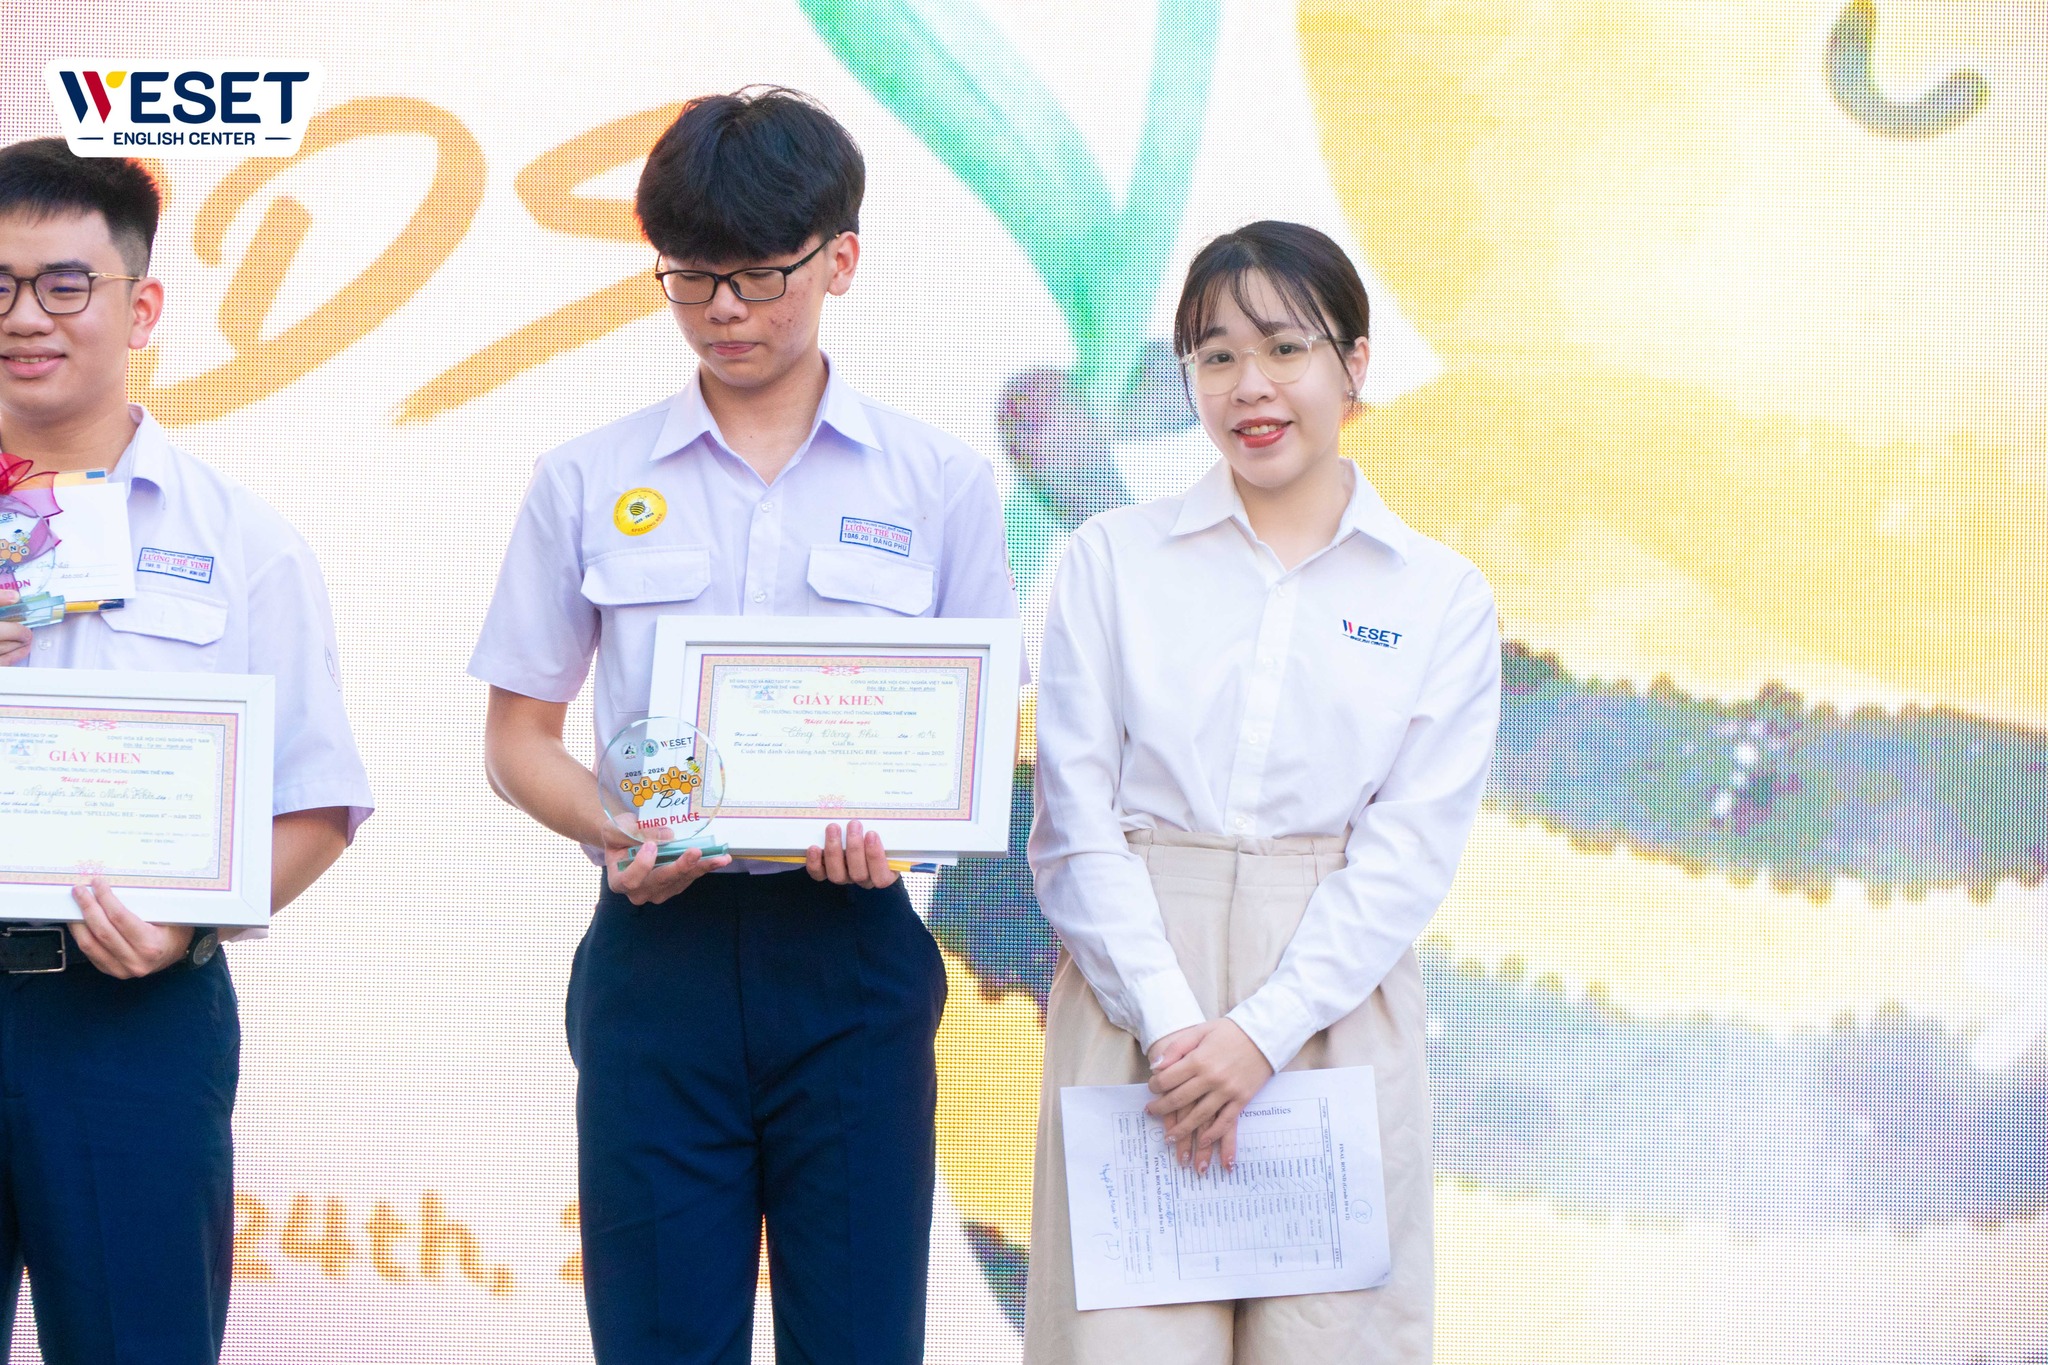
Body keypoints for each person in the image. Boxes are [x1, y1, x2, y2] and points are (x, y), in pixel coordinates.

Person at [470, 88, 1018, 1365]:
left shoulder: (938, 483)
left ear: (840, 260)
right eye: (690, 276)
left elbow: (977, 732)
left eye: (760, 275)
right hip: (656, 952)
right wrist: (622, 828)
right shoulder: (588, 479)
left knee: (859, 1341)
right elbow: (516, 739)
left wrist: (900, 831)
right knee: (659, 1341)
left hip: (852, 952)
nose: (724, 309)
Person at [1024, 220, 1502, 1362]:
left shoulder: (1439, 595)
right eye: (1215, 355)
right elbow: (1073, 822)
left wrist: (1260, 1033)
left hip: (1331, 1006)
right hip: (1139, 999)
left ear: (1354, 363)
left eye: (1285, 348)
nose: (1250, 386)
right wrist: (1178, 1031)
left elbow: (1406, 857)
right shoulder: (1111, 558)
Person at [0, 139, 372, 1364]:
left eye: (65, 284)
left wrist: (185, 923)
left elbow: (316, 799)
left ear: (142, 306)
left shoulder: (242, 543)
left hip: (133, 1018)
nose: (26, 317)